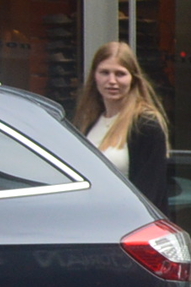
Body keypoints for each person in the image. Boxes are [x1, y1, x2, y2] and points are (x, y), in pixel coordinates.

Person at [73, 42, 171, 211]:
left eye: (120, 74)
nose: (112, 81)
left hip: (125, 224)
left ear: (133, 78)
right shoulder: (88, 121)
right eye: (104, 72)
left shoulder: (146, 124)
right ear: (94, 76)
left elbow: (150, 193)